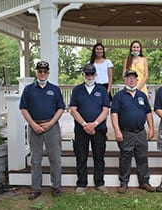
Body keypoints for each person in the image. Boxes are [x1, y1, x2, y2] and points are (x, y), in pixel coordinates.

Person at [19, 60, 65, 200]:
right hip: (35, 127)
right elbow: (23, 108)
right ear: (36, 72)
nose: (42, 73)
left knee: (55, 158)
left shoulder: (55, 89)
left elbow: (61, 108)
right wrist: (33, 124)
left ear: (48, 73)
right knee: (35, 160)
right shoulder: (28, 89)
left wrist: (51, 123)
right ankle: (36, 188)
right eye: (40, 71)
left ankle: (56, 187)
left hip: (52, 127)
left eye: (45, 71)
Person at [111, 70, 154, 194]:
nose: (131, 80)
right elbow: (114, 114)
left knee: (142, 158)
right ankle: (124, 183)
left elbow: (148, 113)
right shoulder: (119, 96)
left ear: (137, 80)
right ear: (125, 80)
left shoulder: (142, 95)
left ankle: (144, 182)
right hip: (126, 133)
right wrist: (117, 131)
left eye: (133, 78)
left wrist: (151, 129)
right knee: (125, 158)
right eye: (128, 77)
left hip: (140, 132)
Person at [69, 63, 110, 194]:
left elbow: (105, 110)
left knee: (99, 156)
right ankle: (81, 183)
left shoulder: (102, 90)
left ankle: (100, 182)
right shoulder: (77, 90)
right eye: (87, 74)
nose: (89, 76)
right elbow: (73, 110)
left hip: (99, 129)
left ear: (96, 75)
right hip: (81, 130)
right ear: (83, 74)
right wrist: (85, 125)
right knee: (81, 157)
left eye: (92, 74)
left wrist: (95, 124)